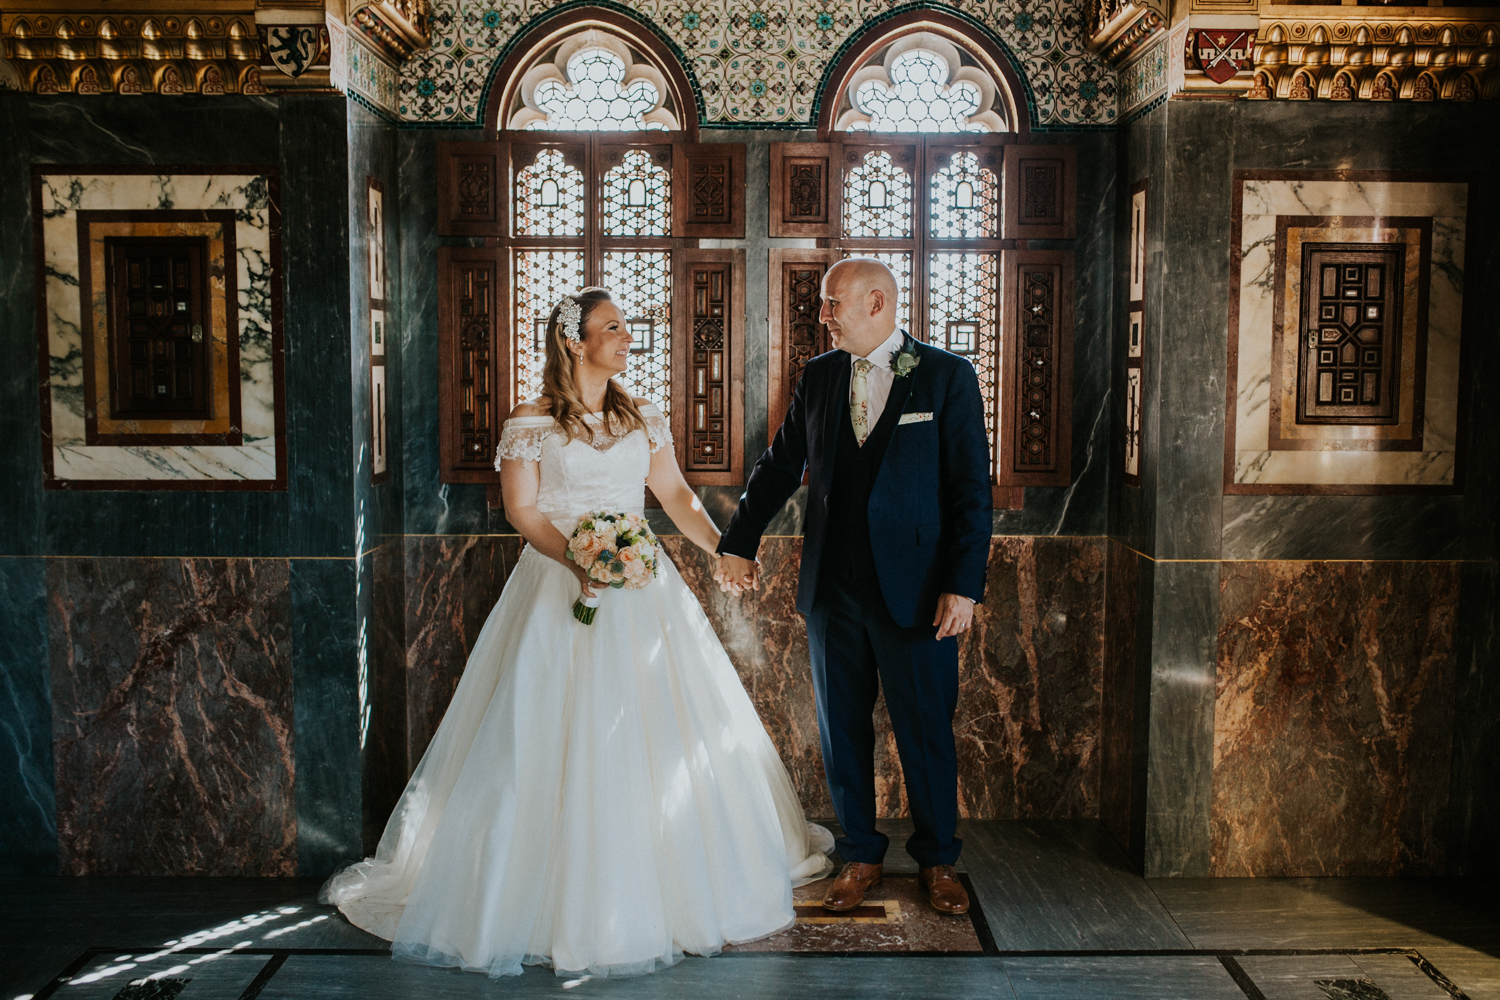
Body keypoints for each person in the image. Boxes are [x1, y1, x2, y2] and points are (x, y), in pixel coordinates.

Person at [322, 287, 832, 979]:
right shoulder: (530, 422)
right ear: (573, 340)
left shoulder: (642, 415)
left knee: (657, 730)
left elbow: (675, 497)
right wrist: (579, 561)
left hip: (644, 594)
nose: (627, 336)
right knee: (537, 732)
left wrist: (726, 550)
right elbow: (523, 510)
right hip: (555, 587)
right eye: (613, 327)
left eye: (626, 326)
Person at [713, 258, 993, 917]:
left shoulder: (947, 377)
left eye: (832, 302)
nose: (824, 313)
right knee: (842, 731)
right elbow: (781, 464)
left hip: (919, 595)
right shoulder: (819, 376)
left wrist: (963, 587)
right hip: (832, 592)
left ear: (876, 303)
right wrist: (738, 540)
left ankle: (938, 861)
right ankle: (860, 853)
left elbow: (970, 493)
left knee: (925, 730)